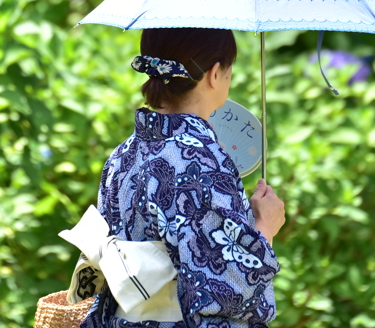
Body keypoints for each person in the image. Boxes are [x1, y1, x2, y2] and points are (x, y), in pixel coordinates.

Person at [78, 27, 286, 327]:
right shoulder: (201, 162)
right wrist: (264, 226)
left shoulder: (123, 154)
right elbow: (229, 288)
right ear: (215, 74)